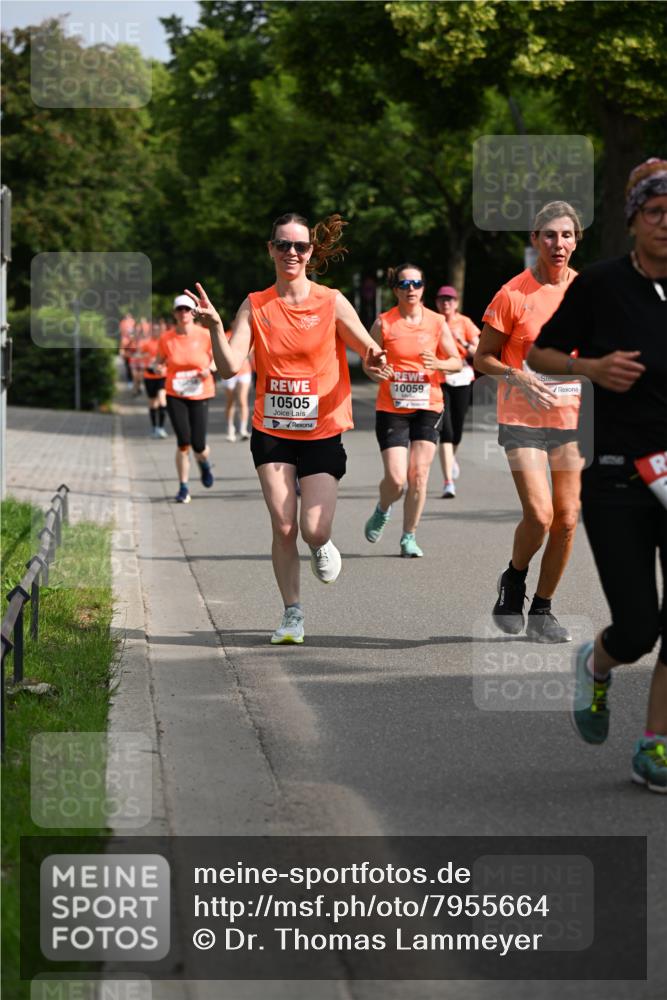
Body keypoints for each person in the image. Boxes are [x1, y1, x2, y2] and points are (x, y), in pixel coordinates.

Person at [529, 158, 667, 792]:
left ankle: (654, 745)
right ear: (634, 220)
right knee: (638, 628)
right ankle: (599, 662)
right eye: (655, 212)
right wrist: (592, 367)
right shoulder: (603, 285)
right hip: (617, 477)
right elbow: (540, 352)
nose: (665, 224)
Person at [187, 212, 389, 644]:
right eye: (283, 245)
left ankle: (321, 544)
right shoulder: (256, 304)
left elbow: (368, 351)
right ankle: (292, 614)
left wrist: (376, 360)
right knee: (283, 526)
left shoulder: (331, 301)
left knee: (314, 528)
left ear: (310, 252)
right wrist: (216, 328)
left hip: (322, 431)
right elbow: (228, 367)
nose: (291, 252)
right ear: (271, 250)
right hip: (273, 431)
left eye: (299, 246)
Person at [474, 201, 583, 643]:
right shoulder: (513, 294)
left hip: (573, 419)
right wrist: (515, 374)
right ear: (535, 239)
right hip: (522, 418)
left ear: (576, 241)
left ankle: (542, 610)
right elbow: (482, 357)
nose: (559, 243)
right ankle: (514, 577)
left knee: (567, 519)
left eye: (567, 235)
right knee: (539, 515)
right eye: (550, 235)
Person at [363, 265, 462, 557]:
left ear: (423, 288)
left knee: (418, 475)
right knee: (397, 480)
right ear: (396, 289)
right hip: (392, 408)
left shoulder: (436, 322)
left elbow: (456, 361)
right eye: (405, 284)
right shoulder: (384, 323)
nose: (411, 289)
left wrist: (438, 364)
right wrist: (376, 372)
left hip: (428, 406)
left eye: (416, 283)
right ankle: (383, 508)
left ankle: (409, 536)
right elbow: (369, 362)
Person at [156, 294, 216, 503]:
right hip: (175, 393)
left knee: (199, 445)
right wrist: (159, 367)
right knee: (183, 442)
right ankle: (183, 487)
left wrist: (210, 369)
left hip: (201, 391)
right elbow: (159, 361)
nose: (183, 313)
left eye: (187, 309)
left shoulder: (205, 334)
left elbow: (218, 358)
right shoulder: (166, 338)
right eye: (179, 309)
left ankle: (204, 463)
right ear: (174, 313)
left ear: (193, 313)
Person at [434, 285, 481, 497]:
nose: (446, 303)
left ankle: (451, 459)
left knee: (458, 428)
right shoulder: (433, 322)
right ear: (437, 303)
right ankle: (448, 482)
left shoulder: (465, 323)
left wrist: (462, 341)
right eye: (442, 300)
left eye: (450, 300)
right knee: (446, 430)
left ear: (456, 303)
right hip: (439, 378)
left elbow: (478, 351)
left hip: (461, 377)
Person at [142, 321, 168, 438]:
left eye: (158, 330)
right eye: (154, 330)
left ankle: (161, 428)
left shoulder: (164, 342)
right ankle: (154, 427)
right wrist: (148, 361)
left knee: (162, 400)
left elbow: (169, 357)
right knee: (153, 403)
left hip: (162, 376)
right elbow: (140, 355)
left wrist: (164, 366)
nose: (156, 332)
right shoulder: (147, 343)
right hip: (149, 376)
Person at [222, 349, 253, 442]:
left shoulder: (247, 338)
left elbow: (250, 352)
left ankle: (243, 429)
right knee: (230, 401)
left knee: (242, 399)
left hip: (244, 371)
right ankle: (230, 428)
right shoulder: (225, 339)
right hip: (229, 371)